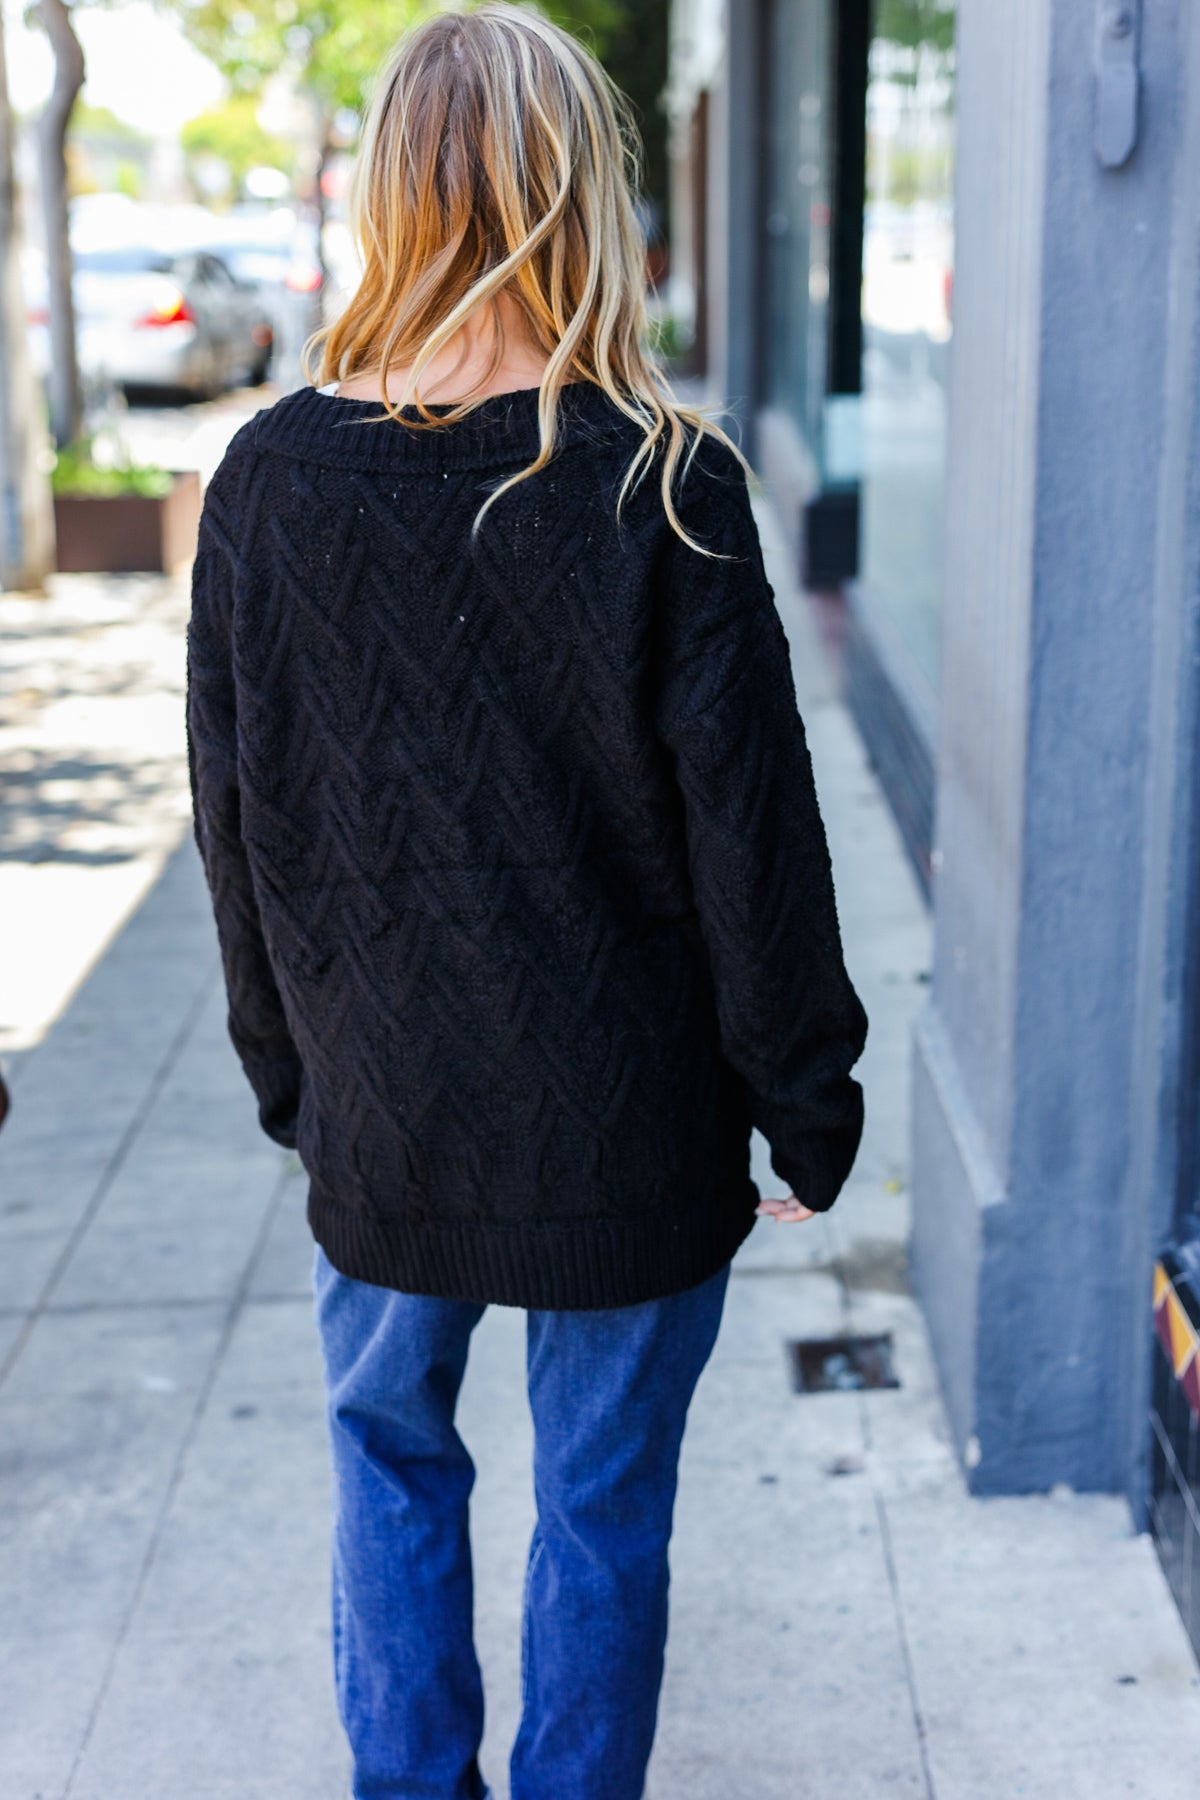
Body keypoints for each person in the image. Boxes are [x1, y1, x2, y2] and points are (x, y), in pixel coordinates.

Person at [185, 5, 868, 1797]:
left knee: (388, 1460)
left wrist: (295, 1085)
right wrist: (806, 1104)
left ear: (391, 200)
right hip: (628, 1131)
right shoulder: (666, 485)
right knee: (602, 1511)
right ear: (582, 199)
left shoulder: (266, 487)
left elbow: (235, 837)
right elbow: (760, 855)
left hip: (389, 1115)